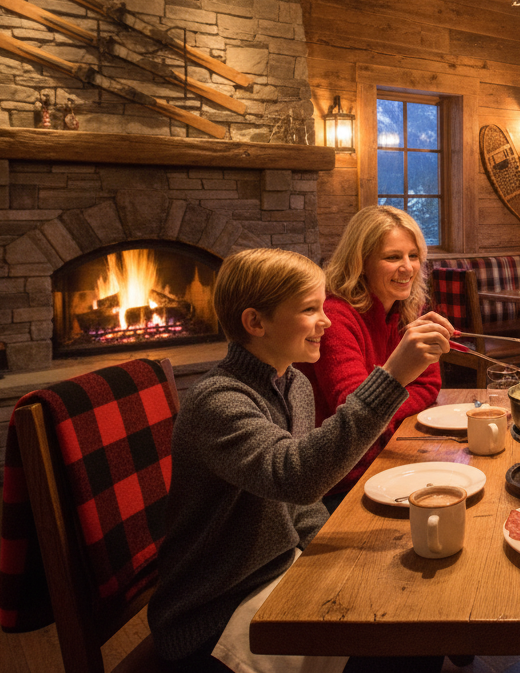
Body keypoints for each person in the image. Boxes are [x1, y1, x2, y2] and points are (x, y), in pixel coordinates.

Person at [149, 248, 450, 673]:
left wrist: (342, 560)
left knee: (414, 606)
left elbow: (301, 506)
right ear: (255, 322)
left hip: (278, 568)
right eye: (311, 309)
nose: (326, 320)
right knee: (404, 640)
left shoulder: (294, 385)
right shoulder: (218, 402)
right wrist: (393, 375)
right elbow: (295, 479)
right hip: (216, 609)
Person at [300, 206, 447, 504]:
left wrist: (386, 420)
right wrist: (391, 405)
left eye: (414, 255)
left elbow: (429, 385)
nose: (407, 267)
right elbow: (351, 410)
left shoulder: (406, 308)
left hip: (385, 456)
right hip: (342, 482)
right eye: (393, 257)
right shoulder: (334, 316)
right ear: (360, 262)